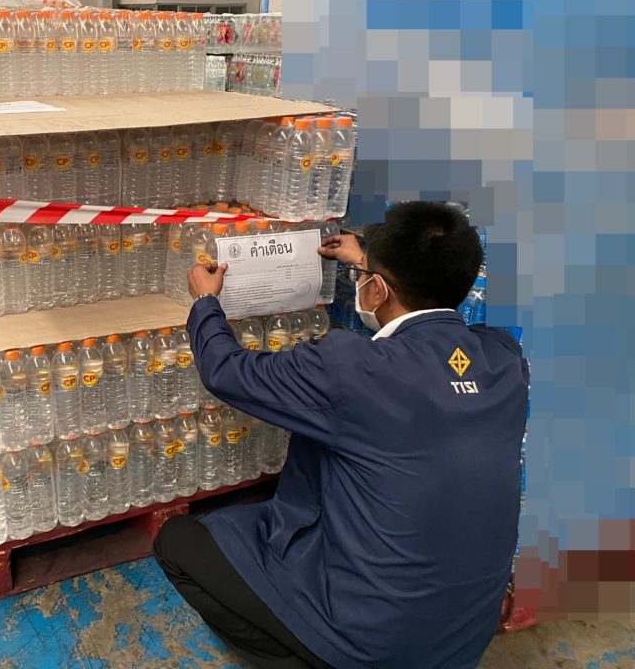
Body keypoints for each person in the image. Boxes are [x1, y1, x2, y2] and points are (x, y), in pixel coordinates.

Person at [154, 201, 529, 669]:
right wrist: (366, 260)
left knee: (178, 542)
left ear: (377, 289)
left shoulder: (352, 367)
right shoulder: (504, 360)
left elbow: (225, 370)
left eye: (365, 276)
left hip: (373, 644)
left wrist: (205, 302)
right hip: (466, 637)